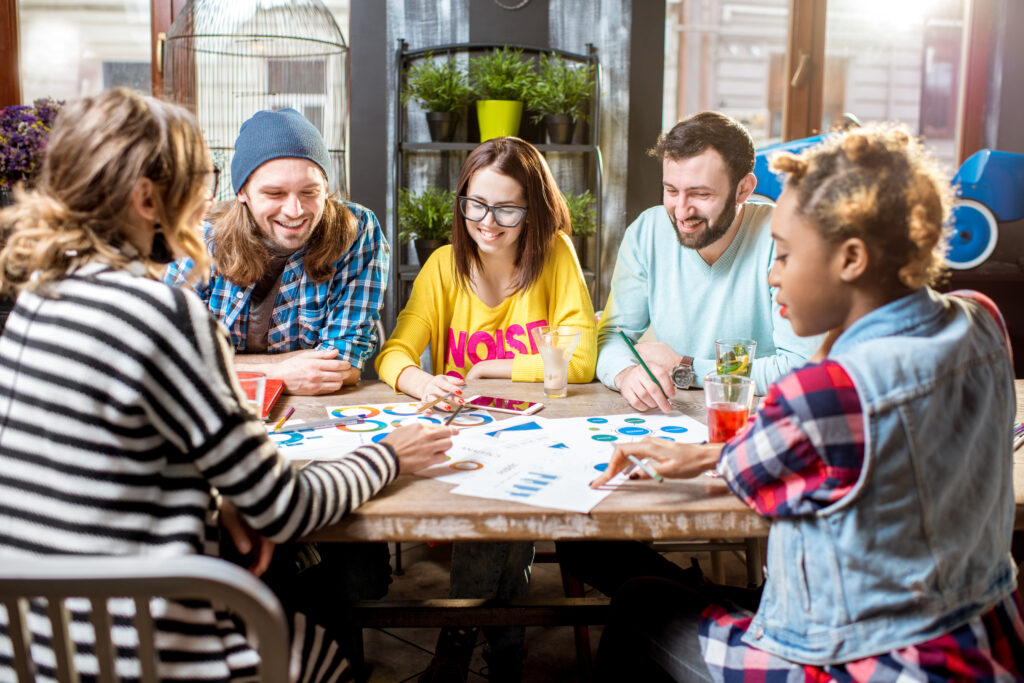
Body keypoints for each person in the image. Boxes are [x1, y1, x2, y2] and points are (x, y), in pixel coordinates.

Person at [0, 87, 456, 682]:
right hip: (140, 648)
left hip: (34, 645)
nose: (208, 204)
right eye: (201, 184)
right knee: (325, 652)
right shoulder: (164, 313)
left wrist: (220, 498)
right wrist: (387, 455)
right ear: (145, 197)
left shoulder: (35, 302)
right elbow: (285, 507)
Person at [590, 125, 1024, 682]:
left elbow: (753, 467)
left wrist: (700, 454)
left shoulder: (822, 393)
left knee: (641, 598)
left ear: (850, 258)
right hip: (988, 640)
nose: (772, 274)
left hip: (862, 664)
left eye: (787, 254)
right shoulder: (982, 318)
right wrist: (703, 455)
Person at [375, 136, 597, 682]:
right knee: (502, 515)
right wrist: (422, 380)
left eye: (507, 208)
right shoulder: (443, 265)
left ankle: (456, 647)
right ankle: (505, 658)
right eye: (476, 204)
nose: (488, 222)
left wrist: (486, 369)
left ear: (535, 209)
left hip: (537, 438)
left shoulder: (556, 255)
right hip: (466, 440)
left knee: (502, 509)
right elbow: (394, 353)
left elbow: (582, 358)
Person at [597, 111, 818, 413]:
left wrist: (685, 367)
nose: (682, 211)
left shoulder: (783, 238)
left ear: (743, 189)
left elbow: (802, 369)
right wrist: (625, 374)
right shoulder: (647, 231)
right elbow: (612, 336)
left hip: (759, 419)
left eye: (700, 194)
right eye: (672, 191)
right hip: (673, 416)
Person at [166, 107, 388, 395]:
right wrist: (276, 373)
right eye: (275, 193)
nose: (294, 211)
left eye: (310, 192)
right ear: (242, 192)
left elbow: (344, 364)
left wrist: (225, 365)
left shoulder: (357, 230)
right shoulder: (201, 236)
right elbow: (169, 356)